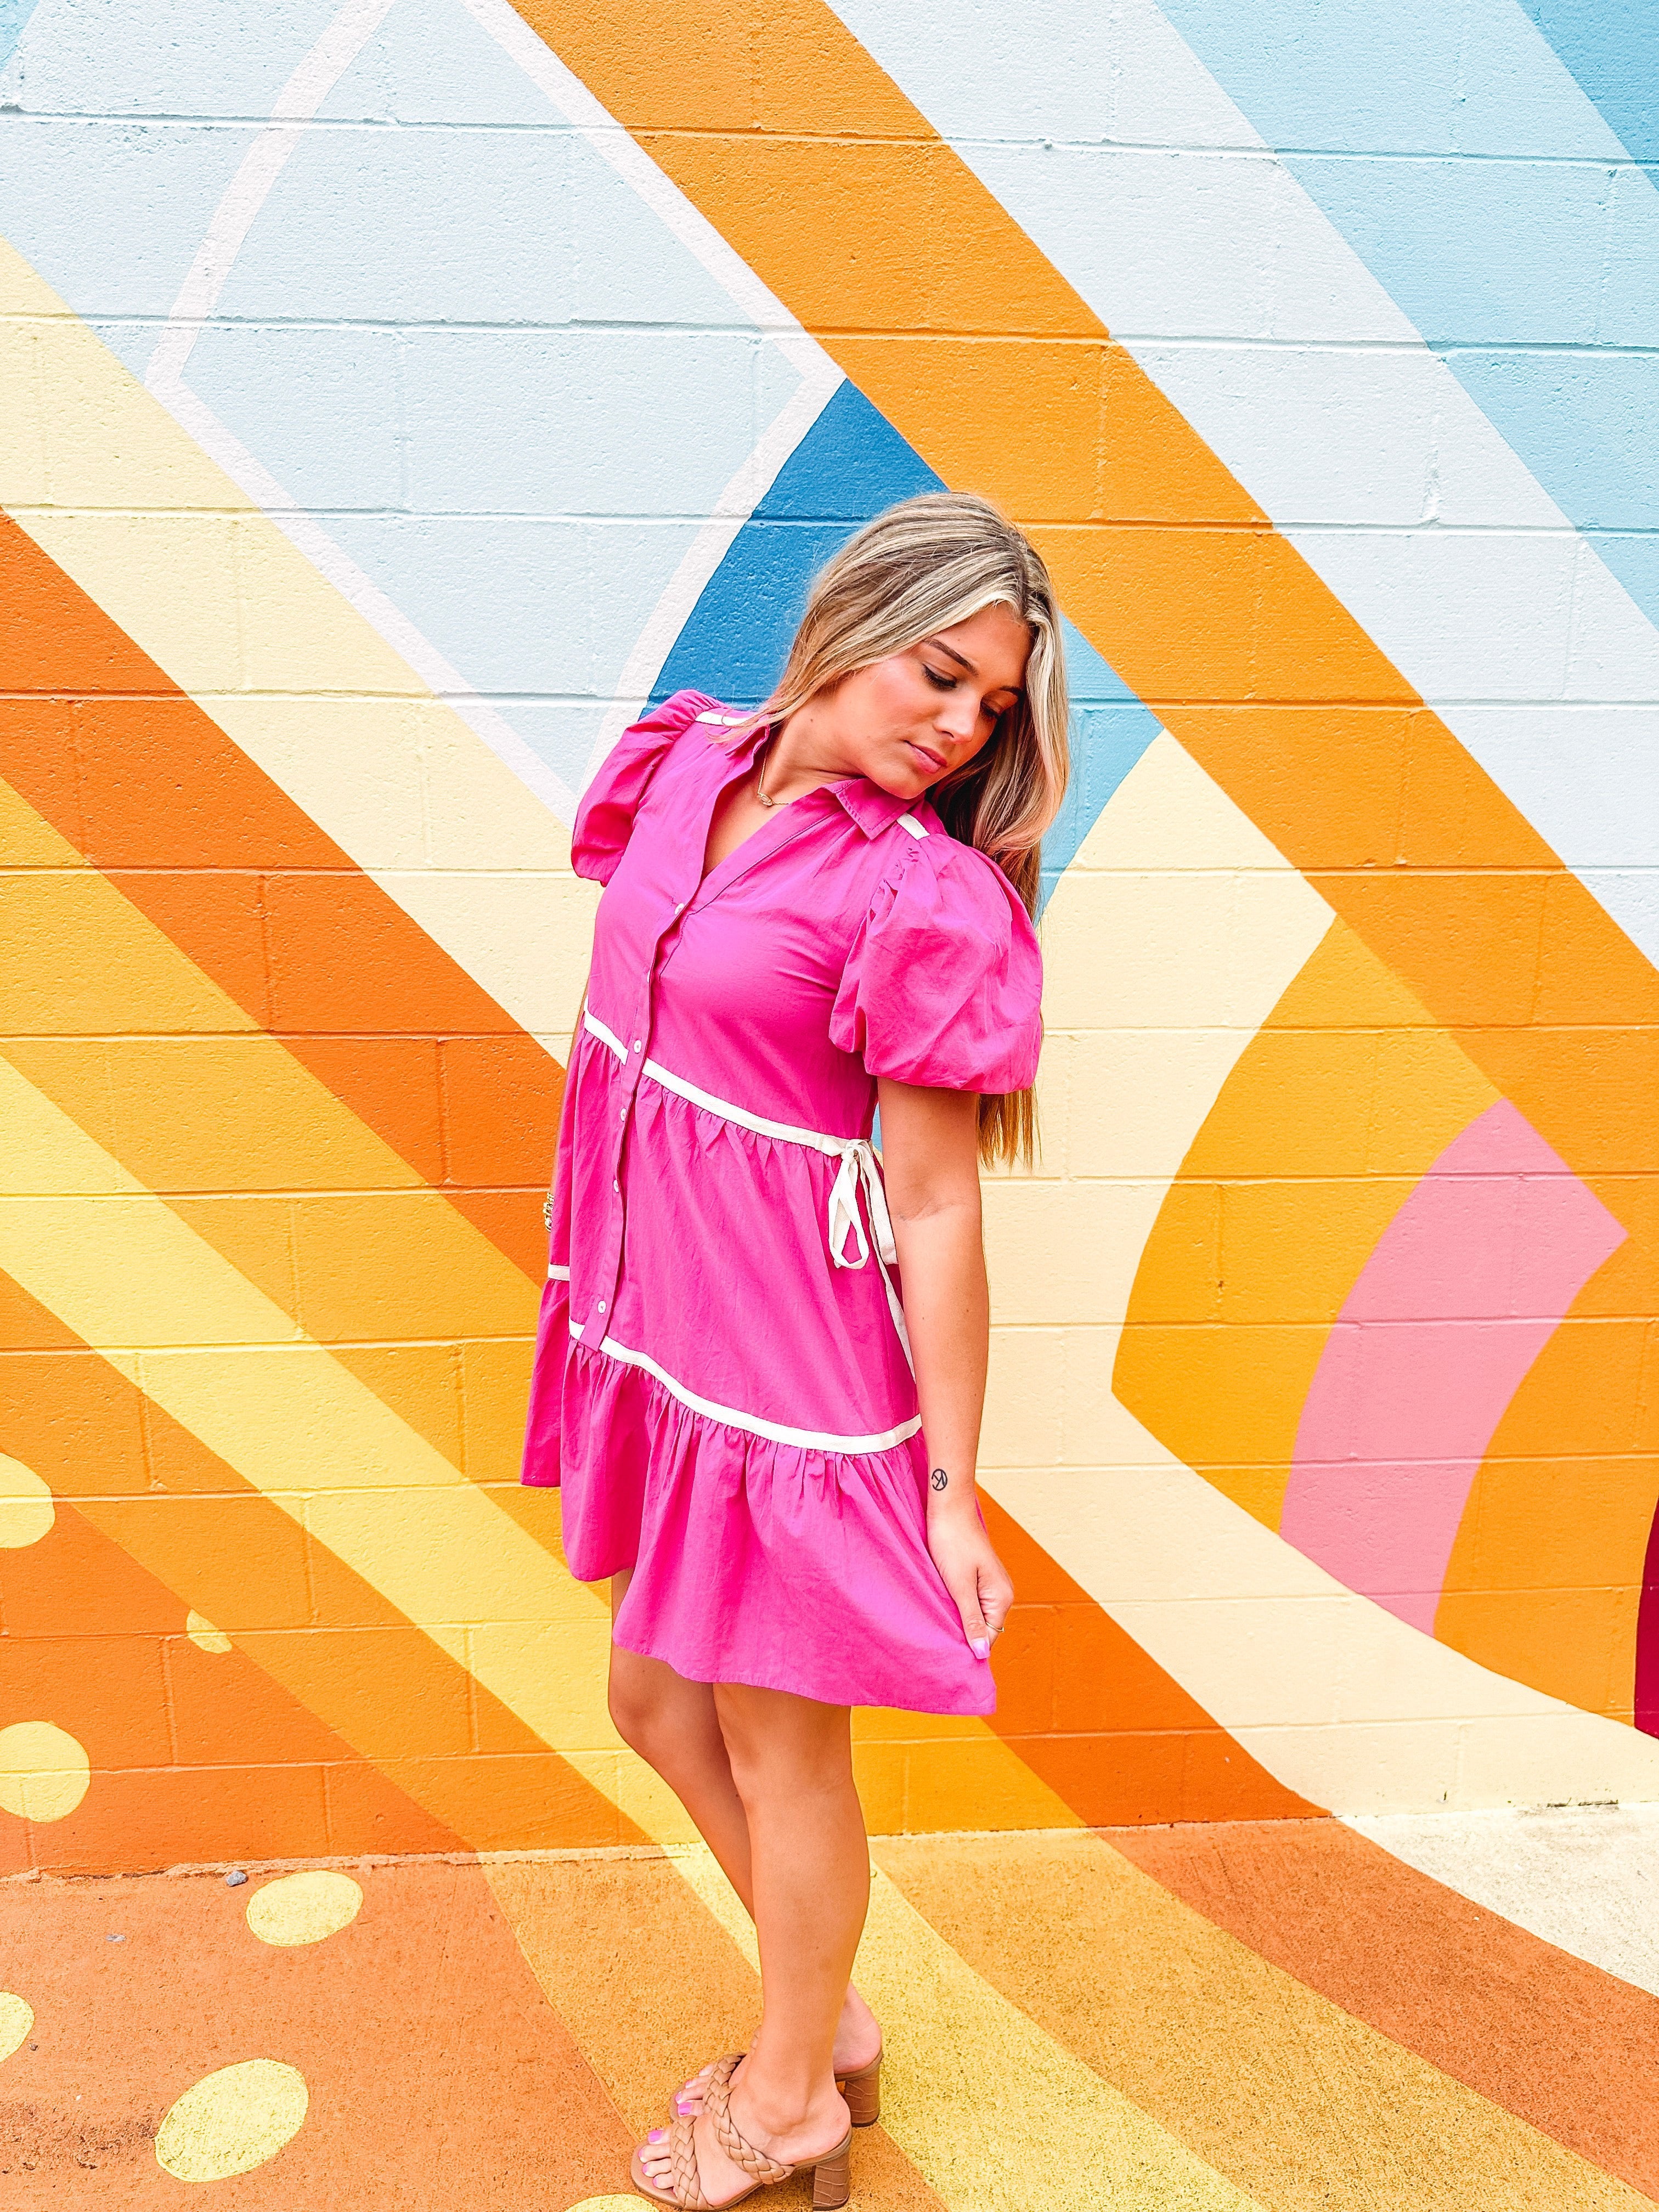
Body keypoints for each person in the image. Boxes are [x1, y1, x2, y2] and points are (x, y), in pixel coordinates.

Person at [521, 491, 1070, 2208]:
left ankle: (789, 2102)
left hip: (790, 1388)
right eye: (940, 672)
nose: (959, 727)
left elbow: (941, 1207)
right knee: (647, 1697)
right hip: (661, 1343)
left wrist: (954, 1493)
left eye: (989, 707)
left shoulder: (920, 897)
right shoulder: (684, 765)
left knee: (779, 1744)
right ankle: (815, 2013)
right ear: (854, 617)